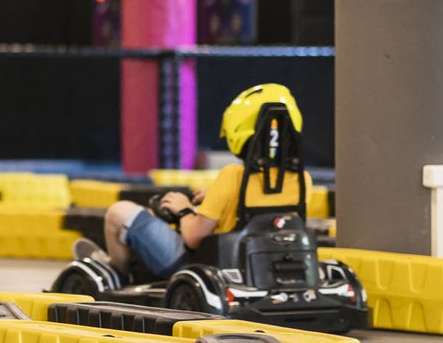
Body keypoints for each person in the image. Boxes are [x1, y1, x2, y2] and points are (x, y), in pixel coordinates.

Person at [99, 83, 314, 278]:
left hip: (208, 266)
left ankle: (117, 273)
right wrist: (215, 198)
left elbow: (194, 237)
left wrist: (184, 210)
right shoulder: (304, 180)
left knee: (119, 212)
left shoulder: (232, 176)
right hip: (264, 265)